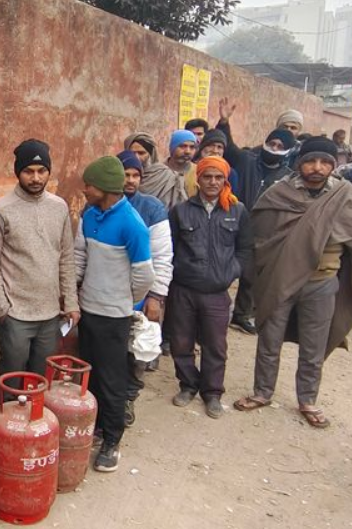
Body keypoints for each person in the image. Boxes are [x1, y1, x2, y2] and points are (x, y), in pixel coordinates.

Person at [235, 137, 352, 429]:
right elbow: (259, 238)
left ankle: (308, 400)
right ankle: (262, 392)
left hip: (322, 282)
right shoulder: (279, 193)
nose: (317, 168)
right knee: (269, 339)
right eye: (311, 161)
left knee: (314, 346)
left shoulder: (344, 196)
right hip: (279, 279)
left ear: (333, 165)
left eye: (325, 162)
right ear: (299, 162)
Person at [74, 156, 153, 473]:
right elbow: (80, 256)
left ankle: (112, 440)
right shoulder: (90, 215)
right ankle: (96, 426)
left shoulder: (132, 225)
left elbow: (144, 275)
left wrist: (124, 302)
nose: (85, 190)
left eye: (89, 185)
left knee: (112, 380)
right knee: (89, 375)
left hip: (114, 317)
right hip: (88, 310)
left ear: (104, 188)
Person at [0, 139, 78, 382]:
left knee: (40, 379)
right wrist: (2, 308)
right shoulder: (1, 209)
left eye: (41, 171)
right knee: (13, 379)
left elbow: (66, 257)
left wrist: (71, 302)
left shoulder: (59, 207)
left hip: (50, 314)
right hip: (15, 314)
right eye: (28, 171)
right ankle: (7, 408)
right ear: (18, 172)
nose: (36, 178)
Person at [167, 157, 252, 419]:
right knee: (181, 342)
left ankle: (212, 393)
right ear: (198, 179)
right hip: (184, 289)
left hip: (216, 292)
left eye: (218, 177)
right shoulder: (181, 211)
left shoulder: (237, 211)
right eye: (207, 177)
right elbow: (170, 249)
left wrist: (231, 272)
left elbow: (245, 249)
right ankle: (188, 385)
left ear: (225, 180)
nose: (213, 182)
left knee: (215, 345)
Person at [214, 99, 295, 335]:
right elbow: (229, 148)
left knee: (251, 275)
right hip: (233, 223)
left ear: (287, 150)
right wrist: (224, 122)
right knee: (220, 266)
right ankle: (213, 310)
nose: (274, 148)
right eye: (272, 143)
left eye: (280, 146)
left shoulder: (288, 177)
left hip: (263, 232)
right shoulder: (247, 161)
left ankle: (241, 315)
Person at [116, 151, 172, 427]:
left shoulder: (152, 208)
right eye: (125, 174)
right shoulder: (99, 205)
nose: (131, 180)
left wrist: (156, 297)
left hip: (141, 296)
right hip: (108, 294)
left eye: (136, 175)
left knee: (135, 352)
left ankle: (128, 400)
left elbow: (162, 257)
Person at [123, 132, 183, 210]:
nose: (136, 157)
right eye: (132, 153)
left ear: (151, 154)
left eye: (141, 153)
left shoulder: (167, 176)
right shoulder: (119, 175)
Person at [166, 130, 198, 200]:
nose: (187, 151)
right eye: (182, 146)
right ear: (172, 148)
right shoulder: (157, 172)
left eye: (192, 147)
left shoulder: (199, 172)